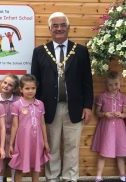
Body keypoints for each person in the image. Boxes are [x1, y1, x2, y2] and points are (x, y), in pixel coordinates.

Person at [31, 12, 93, 182]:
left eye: (62, 25)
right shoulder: (39, 52)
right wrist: (36, 109)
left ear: (68, 27)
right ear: (50, 29)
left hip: (75, 107)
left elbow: (87, 81)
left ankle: (70, 177)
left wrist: (88, 106)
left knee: (72, 145)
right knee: (52, 145)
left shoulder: (80, 51)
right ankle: (52, 177)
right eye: (55, 26)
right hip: (49, 108)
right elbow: (35, 82)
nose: (59, 28)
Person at [8, 74, 50, 182]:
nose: (30, 91)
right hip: (22, 142)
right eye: (27, 88)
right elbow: (14, 126)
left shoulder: (40, 104)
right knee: (19, 168)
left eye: (33, 88)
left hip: (37, 142)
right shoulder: (17, 105)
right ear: (21, 89)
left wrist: (45, 142)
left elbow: (43, 124)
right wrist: (11, 144)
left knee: (36, 168)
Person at [91, 70, 126, 182]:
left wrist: (121, 114)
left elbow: (125, 113)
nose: (114, 87)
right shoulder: (102, 97)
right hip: (106, 127)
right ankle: (98, 176)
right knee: (103, 152)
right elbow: (97, 113)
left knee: (120, 153)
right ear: (106, 85)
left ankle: (122, 175)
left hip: (119, 128)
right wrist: (104, 114)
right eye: (111, 84)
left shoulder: (123, 97)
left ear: (120, 82)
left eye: (116, 84)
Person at [0, 74, 20, 182]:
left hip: (15, 136)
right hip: (0, 136)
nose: (6, 86)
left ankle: (13, 179)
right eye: (5, 82)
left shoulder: (19, 101)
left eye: (10, 85)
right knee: (0, 160)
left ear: (14, 89)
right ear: (1, 82)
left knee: (13, 159)